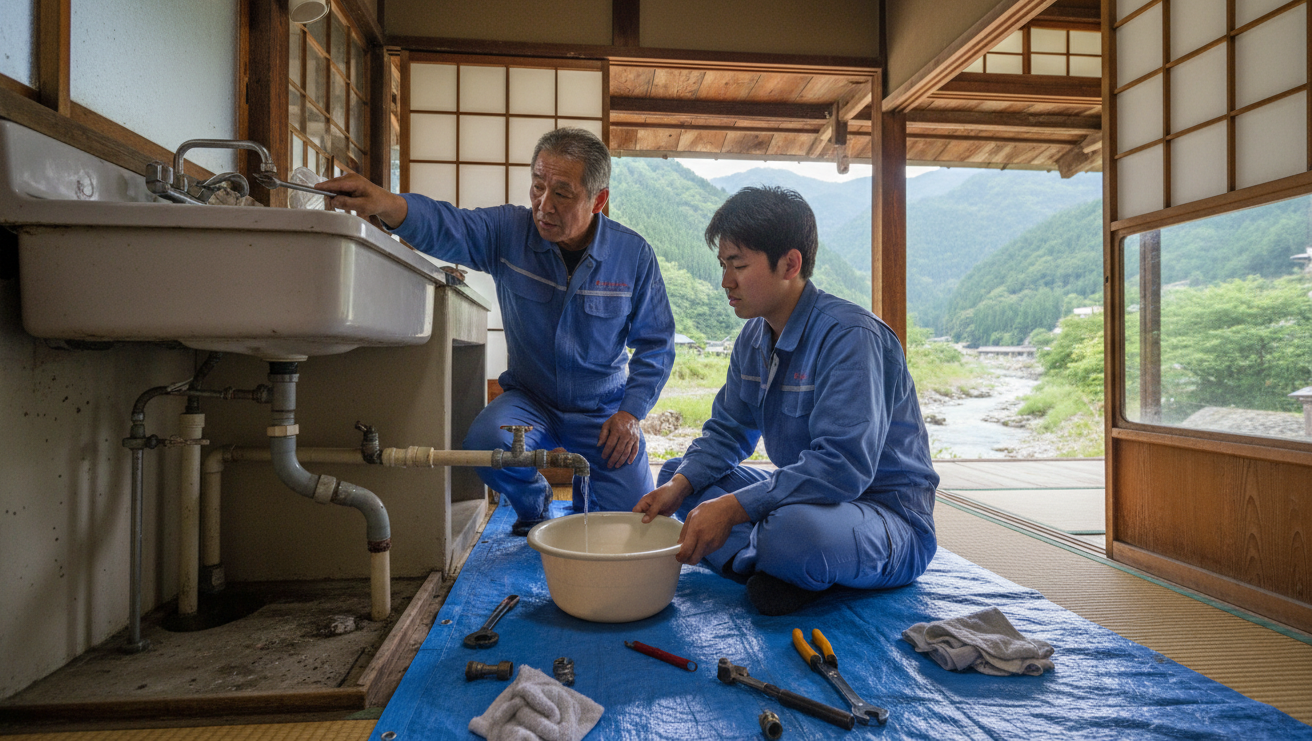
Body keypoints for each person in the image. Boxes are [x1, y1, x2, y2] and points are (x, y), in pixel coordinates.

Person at [322, 128, 675, 534]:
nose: (544, 205)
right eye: (537, 186)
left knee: (635, 524)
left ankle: (588, 492)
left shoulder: (633, 255)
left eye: (562, 193)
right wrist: (388, 204)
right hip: (531, 399)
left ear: (598, 200)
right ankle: (535, 502)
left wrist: (630, 413)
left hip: (603, 409)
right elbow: (449, 224)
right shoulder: (507, 232)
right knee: (484, 445)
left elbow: (657, 344)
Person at [633, 186, 938, 616]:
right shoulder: (753, 337)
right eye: (723, 265)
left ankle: (779, 562)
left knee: (791, 532)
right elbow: (727, 432)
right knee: (679, 477)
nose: (726, 282)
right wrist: (679, 488)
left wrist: (735, 508)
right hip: (810, 502)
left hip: (884, 516)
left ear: (790, 264)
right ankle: (782, 571)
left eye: (737, 265)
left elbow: (841, 467)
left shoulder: (850, 337)